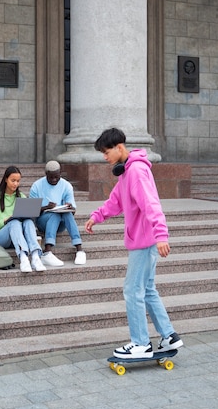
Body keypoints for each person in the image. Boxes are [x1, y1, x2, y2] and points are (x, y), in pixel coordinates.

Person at [84, 127, 183, 359]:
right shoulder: (127, 172)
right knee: (147, 289)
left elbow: (151, 204)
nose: (104, 157)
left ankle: (140, 343)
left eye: (106, 152)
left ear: (120, 147)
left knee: (132, 290)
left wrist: (161, 235)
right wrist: (97, 216)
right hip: (144, 239)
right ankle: (169, 336)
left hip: (144, 241)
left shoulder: (136, 171)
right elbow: (116, 201)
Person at [0, 166, 46, 273]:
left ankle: (35, 256)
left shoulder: (22, 196)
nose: (15, 184)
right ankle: (23, 258)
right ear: (6, 179)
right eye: (13, 180)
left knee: (28, 221)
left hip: (17, 236)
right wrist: (6, 220)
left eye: (18, 181)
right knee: (14, 222)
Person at [29, 160, 86, 267]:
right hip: (43, 222)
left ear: (60, 173)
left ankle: (79, 250)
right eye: (51, 177)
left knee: (67, 214)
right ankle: (47, 252)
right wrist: (46, 207)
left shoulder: (66, 185)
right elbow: (31, 211)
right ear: (46, 174)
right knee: (54, 214)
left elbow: (73, 210)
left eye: (57, 177)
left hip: (60, 223)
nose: (54, 180)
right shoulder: (36, 186)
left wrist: (69, 207)